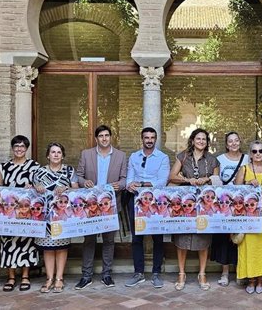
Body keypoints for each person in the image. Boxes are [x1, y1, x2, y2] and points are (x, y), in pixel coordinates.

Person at [75, 125, 127, 290]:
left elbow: (125, 178)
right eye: (101, 136)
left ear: (111, 137)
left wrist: (120, 185)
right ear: (96, 138)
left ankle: (106, 274)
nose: (104, 138)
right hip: (90, 205)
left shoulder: (121, 156)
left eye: (107, 135)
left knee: (109, 241)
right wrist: (84, 182)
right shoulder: (86, 154)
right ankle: (86, 275)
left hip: (110, 205)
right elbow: (79, 176)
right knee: (89, 240)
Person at [168, 128, 219, 291]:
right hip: (185, 204)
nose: (201, 141)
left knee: (203, 240)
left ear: (207, 142)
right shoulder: (183, 156)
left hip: (205, 205)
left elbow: (218, 182)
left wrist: (208, 178)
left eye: (204, 139)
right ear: (192, 140)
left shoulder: (212, 160)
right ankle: (181, 274)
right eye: (198, 139)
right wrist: (188, 180)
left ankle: (202, 273)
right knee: (181, 239)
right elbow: (172, 176)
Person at [123, 127, 170, 289]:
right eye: (146, 137)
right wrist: (130, 185)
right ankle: (139, 273)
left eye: (152, 138)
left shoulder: (163, 158)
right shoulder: (134, 157)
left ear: (155, 140)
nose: (149, 140)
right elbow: (129, 178)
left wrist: (142, 184)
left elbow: (161, 181)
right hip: (135, 200)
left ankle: (156, 273)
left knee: (158, 238)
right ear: (141, 139)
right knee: (137, 238)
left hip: (156, 201)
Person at [32, 142, 78, 293]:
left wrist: (66, 188)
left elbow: (76, 190)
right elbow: (31, 190)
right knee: (48, 248)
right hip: (44, 217)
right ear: (48, 155)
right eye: (53, 152)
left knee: (61, 247)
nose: (56, 154)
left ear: (63, 155)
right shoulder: (39, 172)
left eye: (59, 152)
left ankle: (59, 278)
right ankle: (49, 278)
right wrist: (35, 187)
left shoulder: (69, 171)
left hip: (62, 216)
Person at [0, 135, 40, 292]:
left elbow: (40, 188)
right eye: (16, 146)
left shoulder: (34, 167)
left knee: (26, 243)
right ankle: (11, 276)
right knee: (8, 242)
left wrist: (33, 186)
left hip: (26, 214)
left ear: (26, 148)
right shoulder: (4, 167)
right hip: (8, 214)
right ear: (12, 148)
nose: (19, 149)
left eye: (22, 146)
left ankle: (25, 276)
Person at [233, 140, 262, 294]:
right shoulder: (244, 169)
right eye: (254, 151)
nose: (258, 154)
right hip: (249, 214)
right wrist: (246, 183)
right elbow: (236, 192)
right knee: (249, 245)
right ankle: (251, 279)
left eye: (261, 151)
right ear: (250, 154)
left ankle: (261, 279)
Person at [213, 132, 247, 286]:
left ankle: (241, 271)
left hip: (242, 204)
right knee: (224, 239)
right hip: (224, 205)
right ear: (226, 144)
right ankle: (225, 273)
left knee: (240, 238)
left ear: (240, 142)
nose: (233, 144)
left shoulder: (247, 159)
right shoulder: (219, 159)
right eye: (230, 141)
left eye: (236, 140)